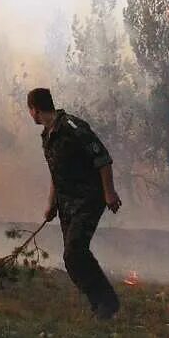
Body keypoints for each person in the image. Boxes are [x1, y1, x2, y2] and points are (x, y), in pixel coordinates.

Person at [28, 87, 121, 319]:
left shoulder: (72, 127)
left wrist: (109, 193)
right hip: (67, 204)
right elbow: (56, 174)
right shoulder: (47, 137)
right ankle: (99, 304)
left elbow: (102, 158)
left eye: (29, 110)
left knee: (74, 252)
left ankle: (108, 303)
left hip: (89, 199)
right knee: (72, 260)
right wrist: (51, 204)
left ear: (35, 110)